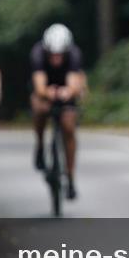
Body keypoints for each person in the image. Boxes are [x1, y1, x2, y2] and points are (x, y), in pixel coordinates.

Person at [30, 24, 85, 199]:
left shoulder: (74, 54)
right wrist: (47, 93)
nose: (56, 58)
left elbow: (74, 83)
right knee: (39, 109)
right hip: (46, 87)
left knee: (69, 126)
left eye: (60, 55)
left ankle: (70, 175)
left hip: (64, 87)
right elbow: (39, 86)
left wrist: (67, 92)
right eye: (52, 55)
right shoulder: (38, 53)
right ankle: (40, 144)